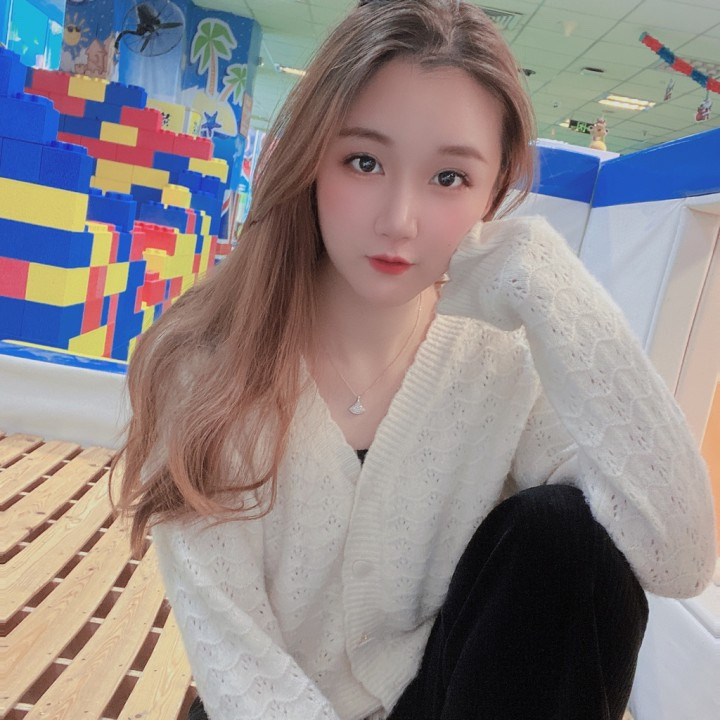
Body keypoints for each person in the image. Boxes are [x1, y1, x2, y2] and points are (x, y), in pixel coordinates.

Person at [111, 1, 716, 719]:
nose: (398, 220)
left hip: (440, 698)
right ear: (311, 160)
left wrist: (550, 285)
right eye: (364, 162)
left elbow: (679, 556)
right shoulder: (207, 366)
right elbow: (241, 669)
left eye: (449, 178)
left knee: (569, 537)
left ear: (494, 188)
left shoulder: (501, 366)